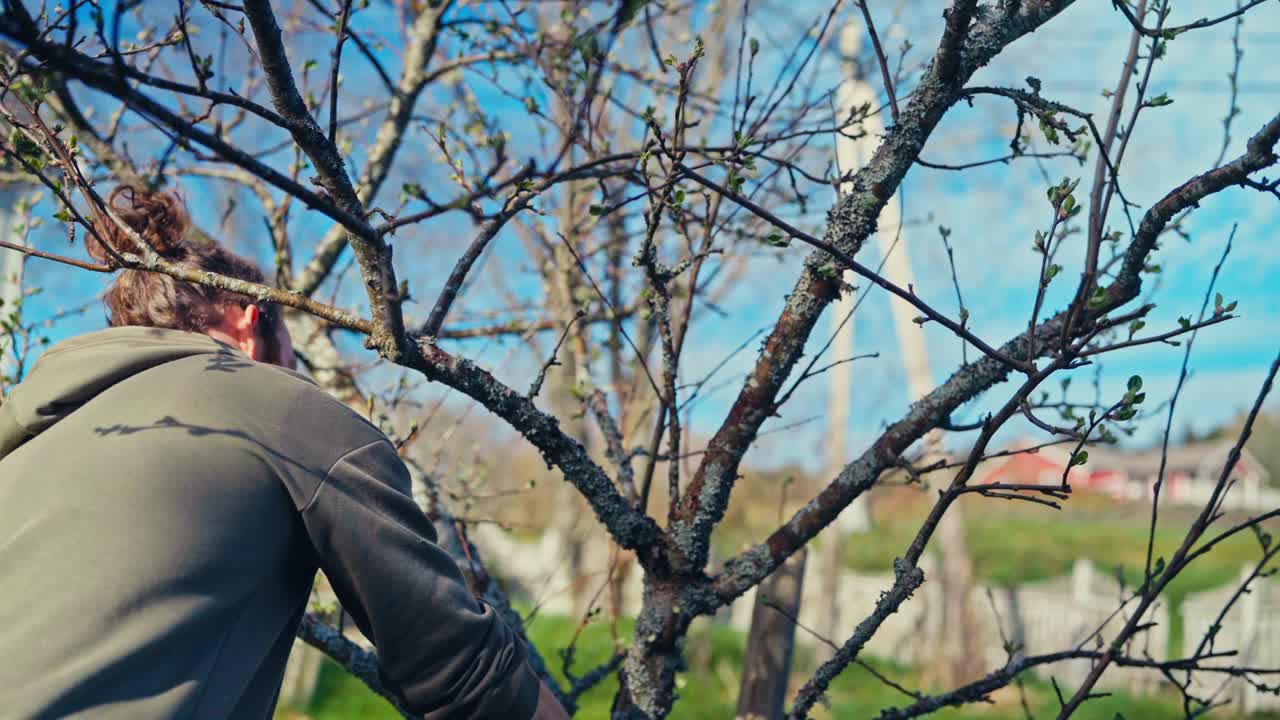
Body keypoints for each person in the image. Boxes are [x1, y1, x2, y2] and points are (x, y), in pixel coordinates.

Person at [0, 184, 569, 719]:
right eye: (291, 350)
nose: (295, 373)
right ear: (249, 322)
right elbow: (461, 668)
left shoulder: (38, 430)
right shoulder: (280, 407)